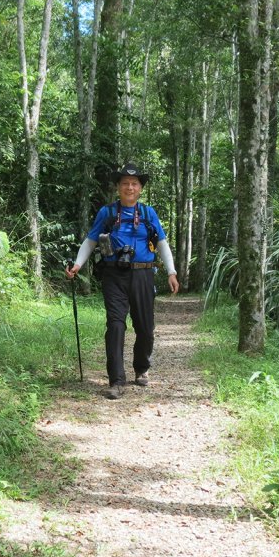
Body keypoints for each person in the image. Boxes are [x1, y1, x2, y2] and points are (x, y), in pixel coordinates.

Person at [66, 163, 180, 399]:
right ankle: (116, 381)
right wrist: (78, 264)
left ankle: (141, 369)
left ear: (140, 189)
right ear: (118, 187)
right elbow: (90, 241)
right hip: (114, 275)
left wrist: (171, 271)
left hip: (143, 274)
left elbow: (162, 244)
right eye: (125, 183)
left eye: (134, 184)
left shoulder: (149, 214)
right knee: (116, 325)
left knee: (145, 328)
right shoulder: (107, 213)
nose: (130, 187)